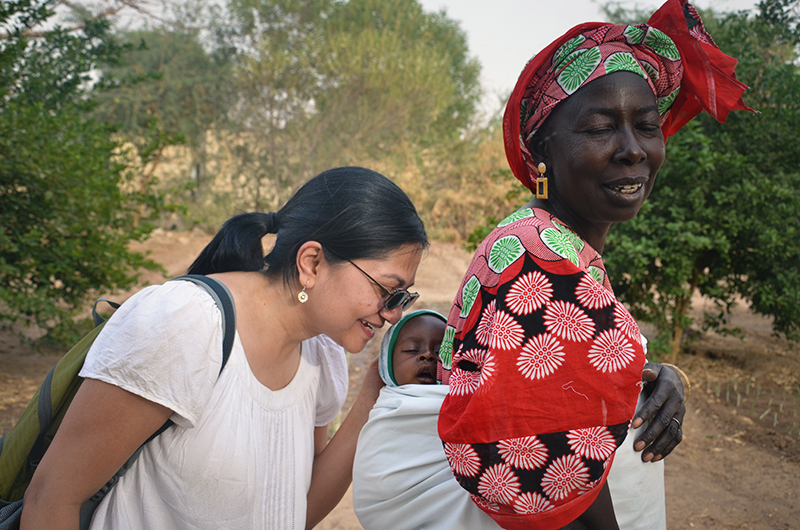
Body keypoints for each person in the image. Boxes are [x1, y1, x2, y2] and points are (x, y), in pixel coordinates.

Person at [437, 1, 753, 528]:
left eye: (647, 126)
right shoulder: (541, 261)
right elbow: (544, 478)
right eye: (600, 127)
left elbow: (569, 380)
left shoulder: (546, 241)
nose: (633, 150)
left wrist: (655, 375)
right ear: (543, 153)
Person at [20, 166, 428, 530]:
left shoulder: (323, 353)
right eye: (388, 290)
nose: (392, 314)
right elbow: (52, 500)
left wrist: (374, 394)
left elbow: (292, 511)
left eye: (402, 298)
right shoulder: (185, 324)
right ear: (312, 263)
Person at [353, 310, 502, 529]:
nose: (428, 356)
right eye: (411, 350)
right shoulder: (386, 414)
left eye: (440, 351)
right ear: (387, 365)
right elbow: (376, 482)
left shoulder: (467, 403)